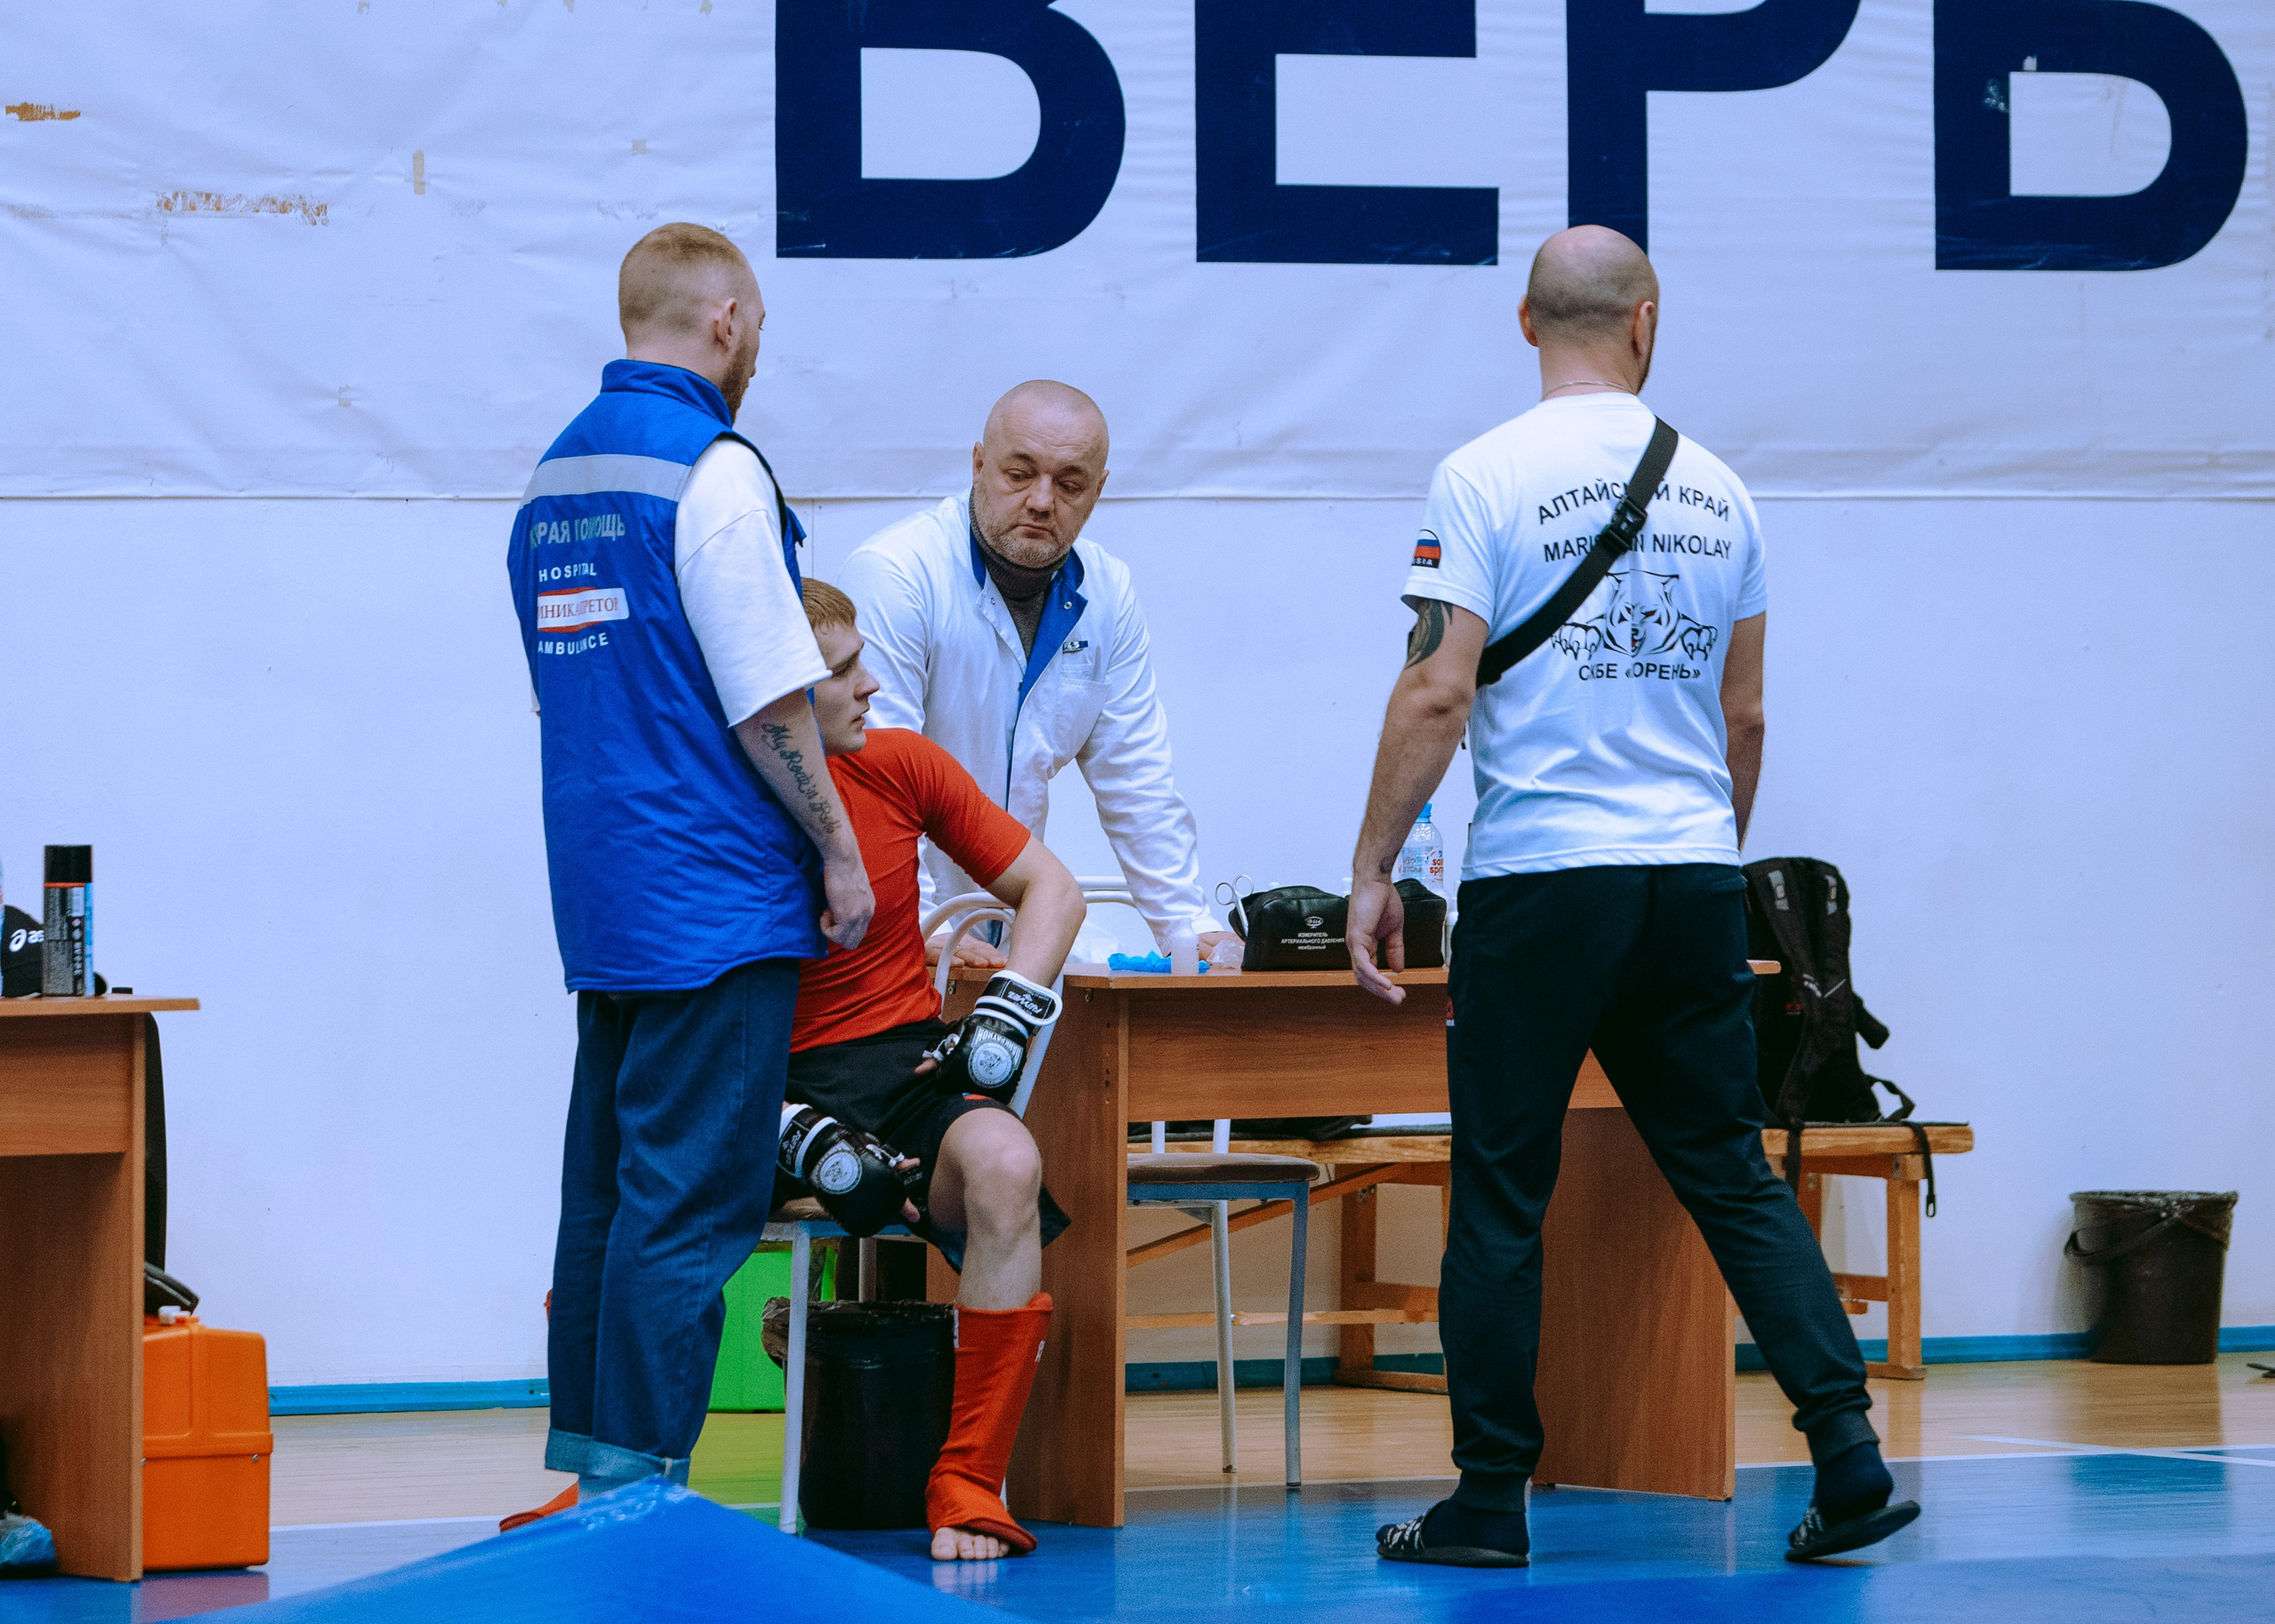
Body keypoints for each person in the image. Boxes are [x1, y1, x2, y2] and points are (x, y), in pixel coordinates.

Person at [1345, 227, 1919, 1569]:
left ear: (1525, 322)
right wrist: (1706, 855)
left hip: (1542, 879)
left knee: (1500, 1193)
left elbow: (1437, 688)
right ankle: (1847, 1454)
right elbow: (1748, 716)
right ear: (1647, 323)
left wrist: (1373, 865)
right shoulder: (1724, 491)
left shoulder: (1481, 474)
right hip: (1687, 873)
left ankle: (1489, 1501)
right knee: (1727, 1174)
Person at [506, 224, 874, 1510]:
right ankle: (649, 1484)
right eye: (758, 327)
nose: (758, 350)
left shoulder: (556, 480)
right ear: (724, 320)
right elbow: (768, 695)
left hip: (601, 890)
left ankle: (594, 1474)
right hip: (713, 891)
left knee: (604, 1194)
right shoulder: (712, 470)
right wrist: (837, 848)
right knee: (691, 1206)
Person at [780, 578, 1086, 1562]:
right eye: (840, 672)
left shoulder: (896, 761)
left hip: (897, 1063)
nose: (871, 684)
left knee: (1005, 1160)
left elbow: (1052, 888)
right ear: (776, 693)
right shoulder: (710, 801)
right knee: (628, 1185)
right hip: (754, 1075)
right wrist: (781, 1122)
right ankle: (610, 1484)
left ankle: (967, 1484)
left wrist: (1009, 1001)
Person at [834, 381, 1231, 967]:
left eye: (1069, 484)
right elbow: (875, 773)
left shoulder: (1108, 592)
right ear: (977, 465)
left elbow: (1137, 782)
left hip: (1013, 928)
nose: (1042, 501)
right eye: (1020, 474)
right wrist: (917, 927)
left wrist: (1188, 926)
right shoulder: (898, 574)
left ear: (1098, 491)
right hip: (897, 929)